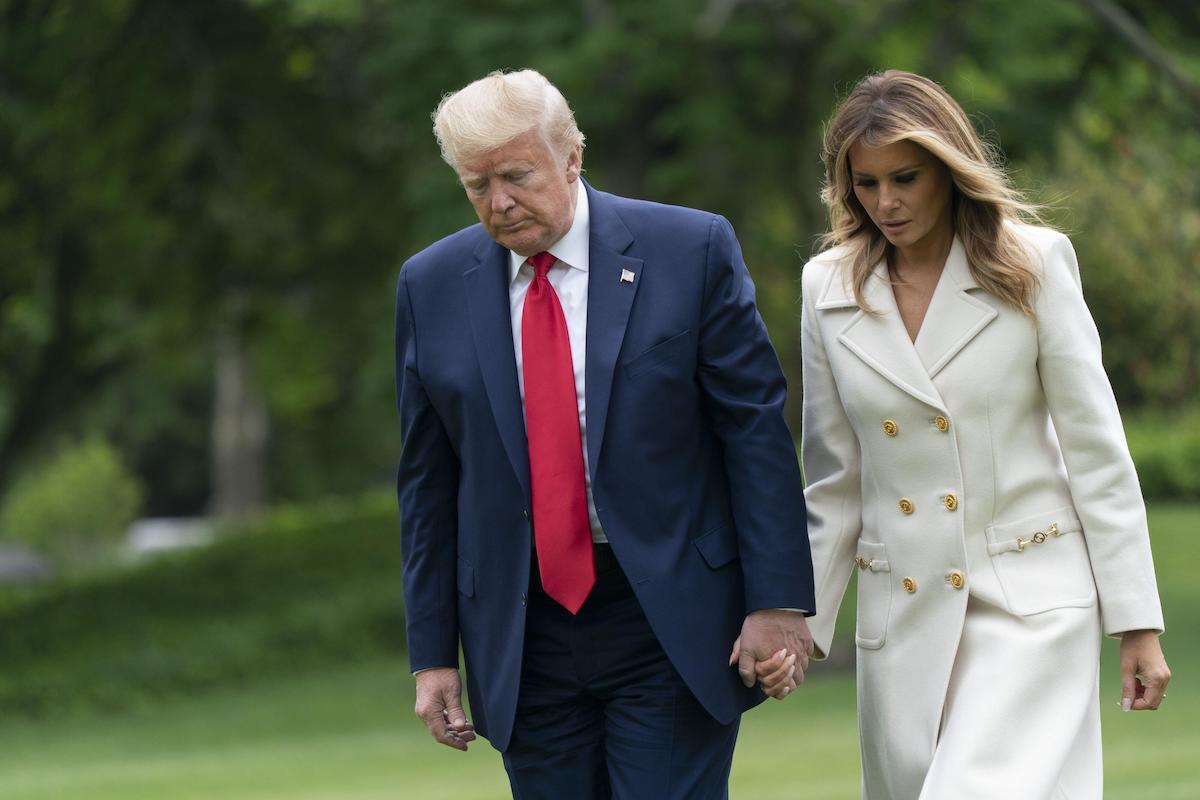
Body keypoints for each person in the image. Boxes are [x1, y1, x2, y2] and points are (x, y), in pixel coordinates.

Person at [395, 68, 814, 799]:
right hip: (521, 630)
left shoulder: (691, 250)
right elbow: (428, 484)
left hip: (669, 616)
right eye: (476, 184)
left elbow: (753, 433)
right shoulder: (429, 286)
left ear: (572, 157)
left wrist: (776, 601)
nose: (499, 202)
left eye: (517, 176)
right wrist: (431, 655)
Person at [769, 70, 1171, 798]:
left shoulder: (1033, 264)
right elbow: (835, 480)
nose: (885, 203)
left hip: (1029, 607)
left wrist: (1136, 622)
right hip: (905, 618)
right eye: (864, 184)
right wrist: (803, 622)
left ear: (949, 168)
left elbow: (1097, 455)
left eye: (906, 178)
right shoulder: (826, 288)